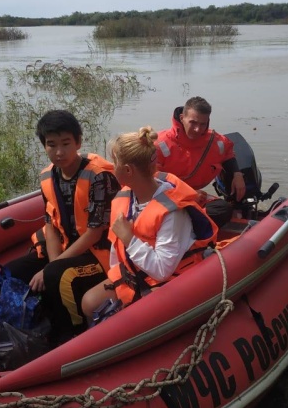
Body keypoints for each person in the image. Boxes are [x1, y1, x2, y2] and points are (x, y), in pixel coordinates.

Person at [5, 110, 120, 344]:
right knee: (15, 270)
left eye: (66, 144)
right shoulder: (48, 176)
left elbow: (94, 232)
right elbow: (51, 225)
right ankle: (28, 322)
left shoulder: (98, 177)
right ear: (44, 146)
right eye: (51, 145)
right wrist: (51, 263)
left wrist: (51, 268)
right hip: (68, 246)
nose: (59, 152)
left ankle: (72, 333)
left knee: (57, 274)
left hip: (100, 253)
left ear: (78, 142)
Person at [81, 126, 217, 320]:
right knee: (88, 302)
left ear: (127, 170)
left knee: (123, 320)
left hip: (170, 280)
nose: (112, 166)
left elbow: (162, 270)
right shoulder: (125, 198)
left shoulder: (172, 212)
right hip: (137, 274)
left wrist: (129, 237)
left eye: (114, 162)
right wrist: (119, 278)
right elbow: (116, 254)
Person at [155, 96, 246, 227]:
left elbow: (228, 154)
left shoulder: (215, 141)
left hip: (194, 198)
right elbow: (150, 181)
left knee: (223, 209)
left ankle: (186, 225)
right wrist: (186, 194)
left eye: (203, 124)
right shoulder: (159, 144)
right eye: (193, 122)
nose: (198, 129)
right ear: (182, 118)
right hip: (165, 197)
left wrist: (237, 174)